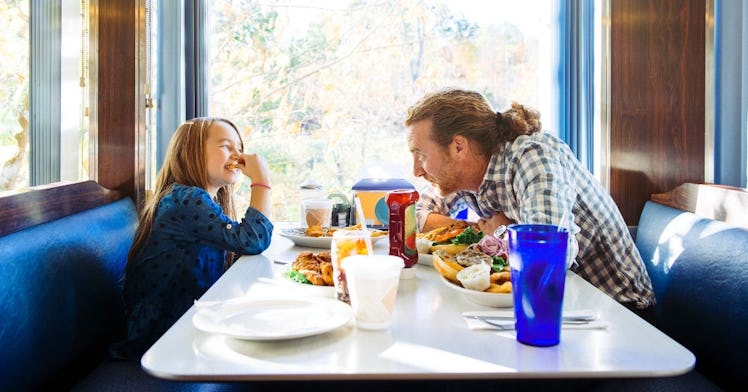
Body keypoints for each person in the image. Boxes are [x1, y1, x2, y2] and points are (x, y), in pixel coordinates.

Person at [405, 88, 655, 314]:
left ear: (458, 147)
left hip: (618, 310)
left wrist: (502, 232)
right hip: (548, 303)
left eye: (421, 155)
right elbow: (413, 214)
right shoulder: (462, 175)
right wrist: (480, 232)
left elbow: (550, 256)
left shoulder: (533, 157)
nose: (416, 170)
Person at [110, 117, 274, 359]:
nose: (239, 157)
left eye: (240, 148)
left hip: (183, 321)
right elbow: (253, 239)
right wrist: (262, 181)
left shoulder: (196, 199)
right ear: (191, 153)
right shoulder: (187, 200)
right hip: (164, 334)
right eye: (226, 146)